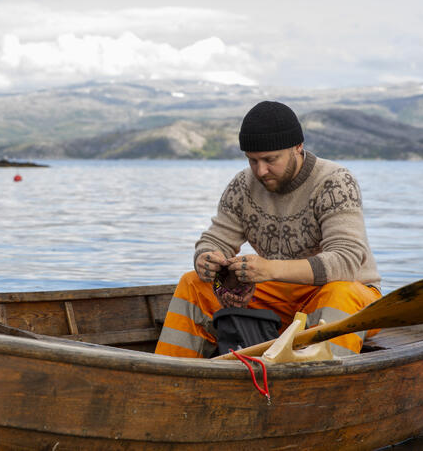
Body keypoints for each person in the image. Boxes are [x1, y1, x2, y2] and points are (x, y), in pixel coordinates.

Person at [155, 101, 381, 358]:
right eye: (252, 161)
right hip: (279, 295)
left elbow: (347, 262)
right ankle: (169, 376)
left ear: (298, 147)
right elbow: (216, 239)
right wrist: (208, 259)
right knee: (193, 284)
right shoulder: (242, 185)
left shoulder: (335, 182)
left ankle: (322, 385)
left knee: (341, 292)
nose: (260, 171)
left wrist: (268, 269)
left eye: (270, 160)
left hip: (352, 298)